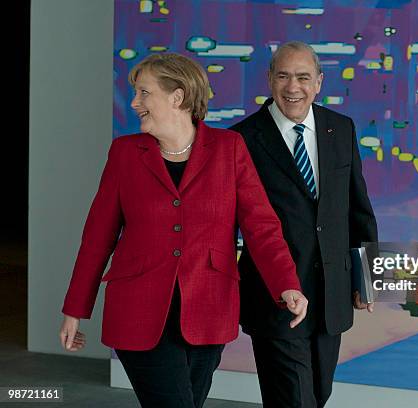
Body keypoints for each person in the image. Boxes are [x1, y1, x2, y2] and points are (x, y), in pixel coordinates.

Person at [59, 52, 308, 408]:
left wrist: (287, 284)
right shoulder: (125, 154)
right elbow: (97, 237)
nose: (135, 102)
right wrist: (75, 309)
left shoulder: (229, 149)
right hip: (137, 311)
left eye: (144, 93)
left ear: (177, 96)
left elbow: (262, 227)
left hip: (208, 310)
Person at [230, 41, 378, 407]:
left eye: (302, 77)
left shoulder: (340, 129)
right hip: (274, 297)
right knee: (294, 398)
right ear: (269, 80)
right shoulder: (241, 139)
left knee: (318, 393)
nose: (292, 87)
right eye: (283, 76)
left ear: (319, 82)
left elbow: (358, 209)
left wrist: (366, 279)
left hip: (332, 295)